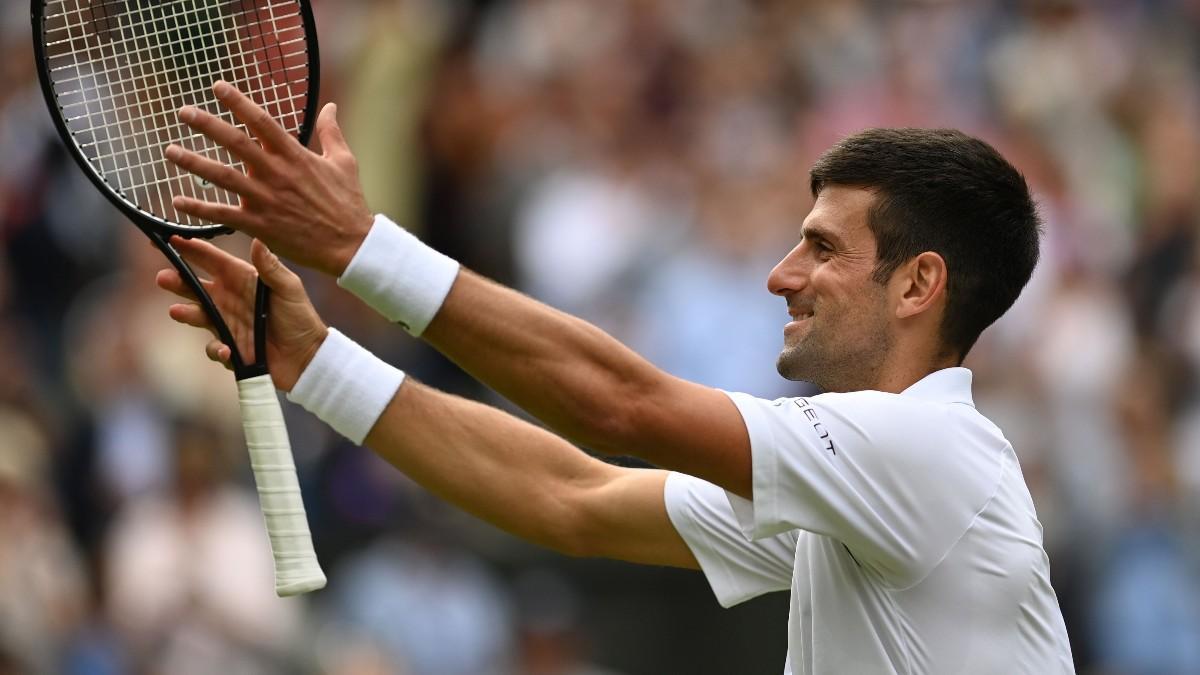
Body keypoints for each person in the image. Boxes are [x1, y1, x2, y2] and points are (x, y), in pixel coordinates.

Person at [156, 81, 1074, 674]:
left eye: (823, 247)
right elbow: (572, 494)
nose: (780, 273)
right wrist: (316, 363)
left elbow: (620, 403)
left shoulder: (922, 446)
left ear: (919, 283)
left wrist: (362, 248)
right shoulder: (861, 489)